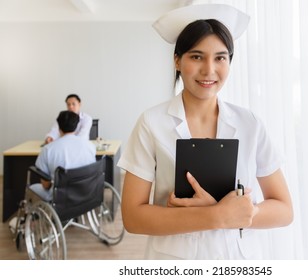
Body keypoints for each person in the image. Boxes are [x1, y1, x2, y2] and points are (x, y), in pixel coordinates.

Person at [118, 4, 293, 260]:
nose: (209, 70)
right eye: (197, 56)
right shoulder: (151, 123)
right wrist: (216, 216)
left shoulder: (250, 123)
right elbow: (133, 217)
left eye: (220, 57)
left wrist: (246, 213)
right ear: (177, 60)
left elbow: (284, 209)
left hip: (236, 259)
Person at [30, 110, 96, 201]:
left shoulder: (48, 149)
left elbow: (46, 185)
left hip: (62, 198)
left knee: (33, 187)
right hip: (87, 192)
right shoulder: (90, 146)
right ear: (76, 125)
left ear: (58, 126)